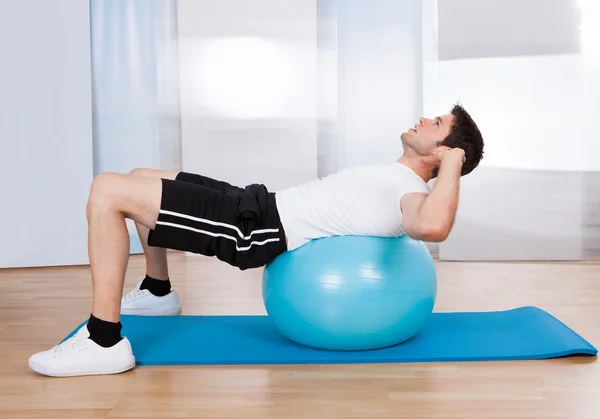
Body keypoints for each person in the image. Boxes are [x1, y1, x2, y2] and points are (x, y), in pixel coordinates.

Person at [28, 103, 484, 377]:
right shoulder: (396, 174)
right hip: (255, 202)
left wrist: (453, 165)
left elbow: (432, 228)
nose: (425, 118)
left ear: (444, 152)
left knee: (109, 190)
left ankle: (104, 342)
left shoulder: (411, 193)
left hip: (255, 230)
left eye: (438, 123)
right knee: (138, 178)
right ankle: (157, 291)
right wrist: (448, 160)